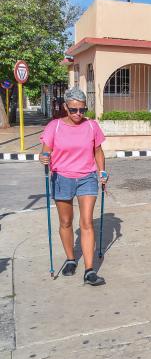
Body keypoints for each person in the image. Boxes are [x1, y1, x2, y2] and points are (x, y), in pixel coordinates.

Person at [39, 87, 108, 286]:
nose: (78, 114)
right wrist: (44, 158)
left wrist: (102, 171)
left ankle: (89, 270)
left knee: (86, 222)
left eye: (82, 110)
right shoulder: (55, 127)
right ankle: (70, 259)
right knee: (66, 221)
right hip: (62, 177)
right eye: (73, 110)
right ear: (65, 108)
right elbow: (45, 152)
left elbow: (98, 151)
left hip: (87, 177)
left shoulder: (92, 126)